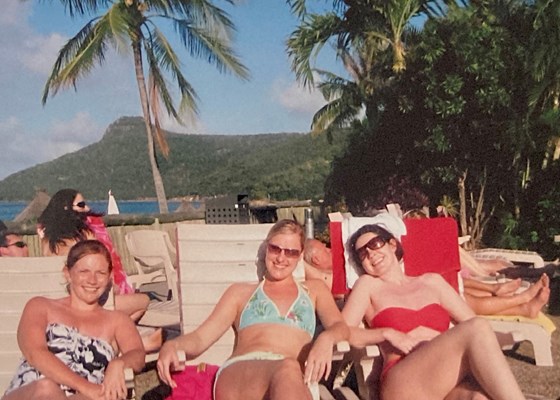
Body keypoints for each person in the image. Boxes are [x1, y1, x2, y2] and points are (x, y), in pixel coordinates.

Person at [157, 219, 349, 400]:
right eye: (275, 249)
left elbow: (340, 326)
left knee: (290, 374)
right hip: (241, 373)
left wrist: (327, 337)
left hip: (290, 382)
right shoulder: (240, 293)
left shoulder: (314, 290)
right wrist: (173, 345)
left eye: (290, 252)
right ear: (267, 249)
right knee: (288, 367)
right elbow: (200, 338)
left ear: (300, 256)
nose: (281, 258)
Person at [342, 223, 527, 400]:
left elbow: (472, 325)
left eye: (375, 244)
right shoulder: (368, 285)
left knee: (478, 397)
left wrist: (437, 337)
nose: (371, 253)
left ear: (392, 244)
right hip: (403, 380)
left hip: (443, 377)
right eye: (362, 253)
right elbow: (342, 332)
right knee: (477, 327)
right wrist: (387, 334)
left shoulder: (432, 282)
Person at [2, 240, 145, 400]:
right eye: (84, 271)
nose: (92, 280)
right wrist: (86, 387)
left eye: (101, 273)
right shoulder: (40, 306)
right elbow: (34, 352)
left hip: (84, 397)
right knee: (47, 388)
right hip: (34, 392)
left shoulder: (117, 320)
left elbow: (137, 354)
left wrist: (119, 363)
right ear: (67, 273)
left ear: (110, 277)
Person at [37, 188, 161, 352]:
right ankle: (114, 344)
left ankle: (105, 342)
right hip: (91, 303)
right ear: (67, 208)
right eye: (81, 205)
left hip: (61, 306)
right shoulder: (85, 235)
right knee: (143, 300)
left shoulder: (47, 242)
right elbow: (99, 268)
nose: (87, 209)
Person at [404, 209, 551, 318]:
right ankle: (521, 300)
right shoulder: (406, 258)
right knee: (469, 301)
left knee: (470, 293)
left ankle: (523, 307)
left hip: (438, 288)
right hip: (427, 297)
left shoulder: (419, 255)